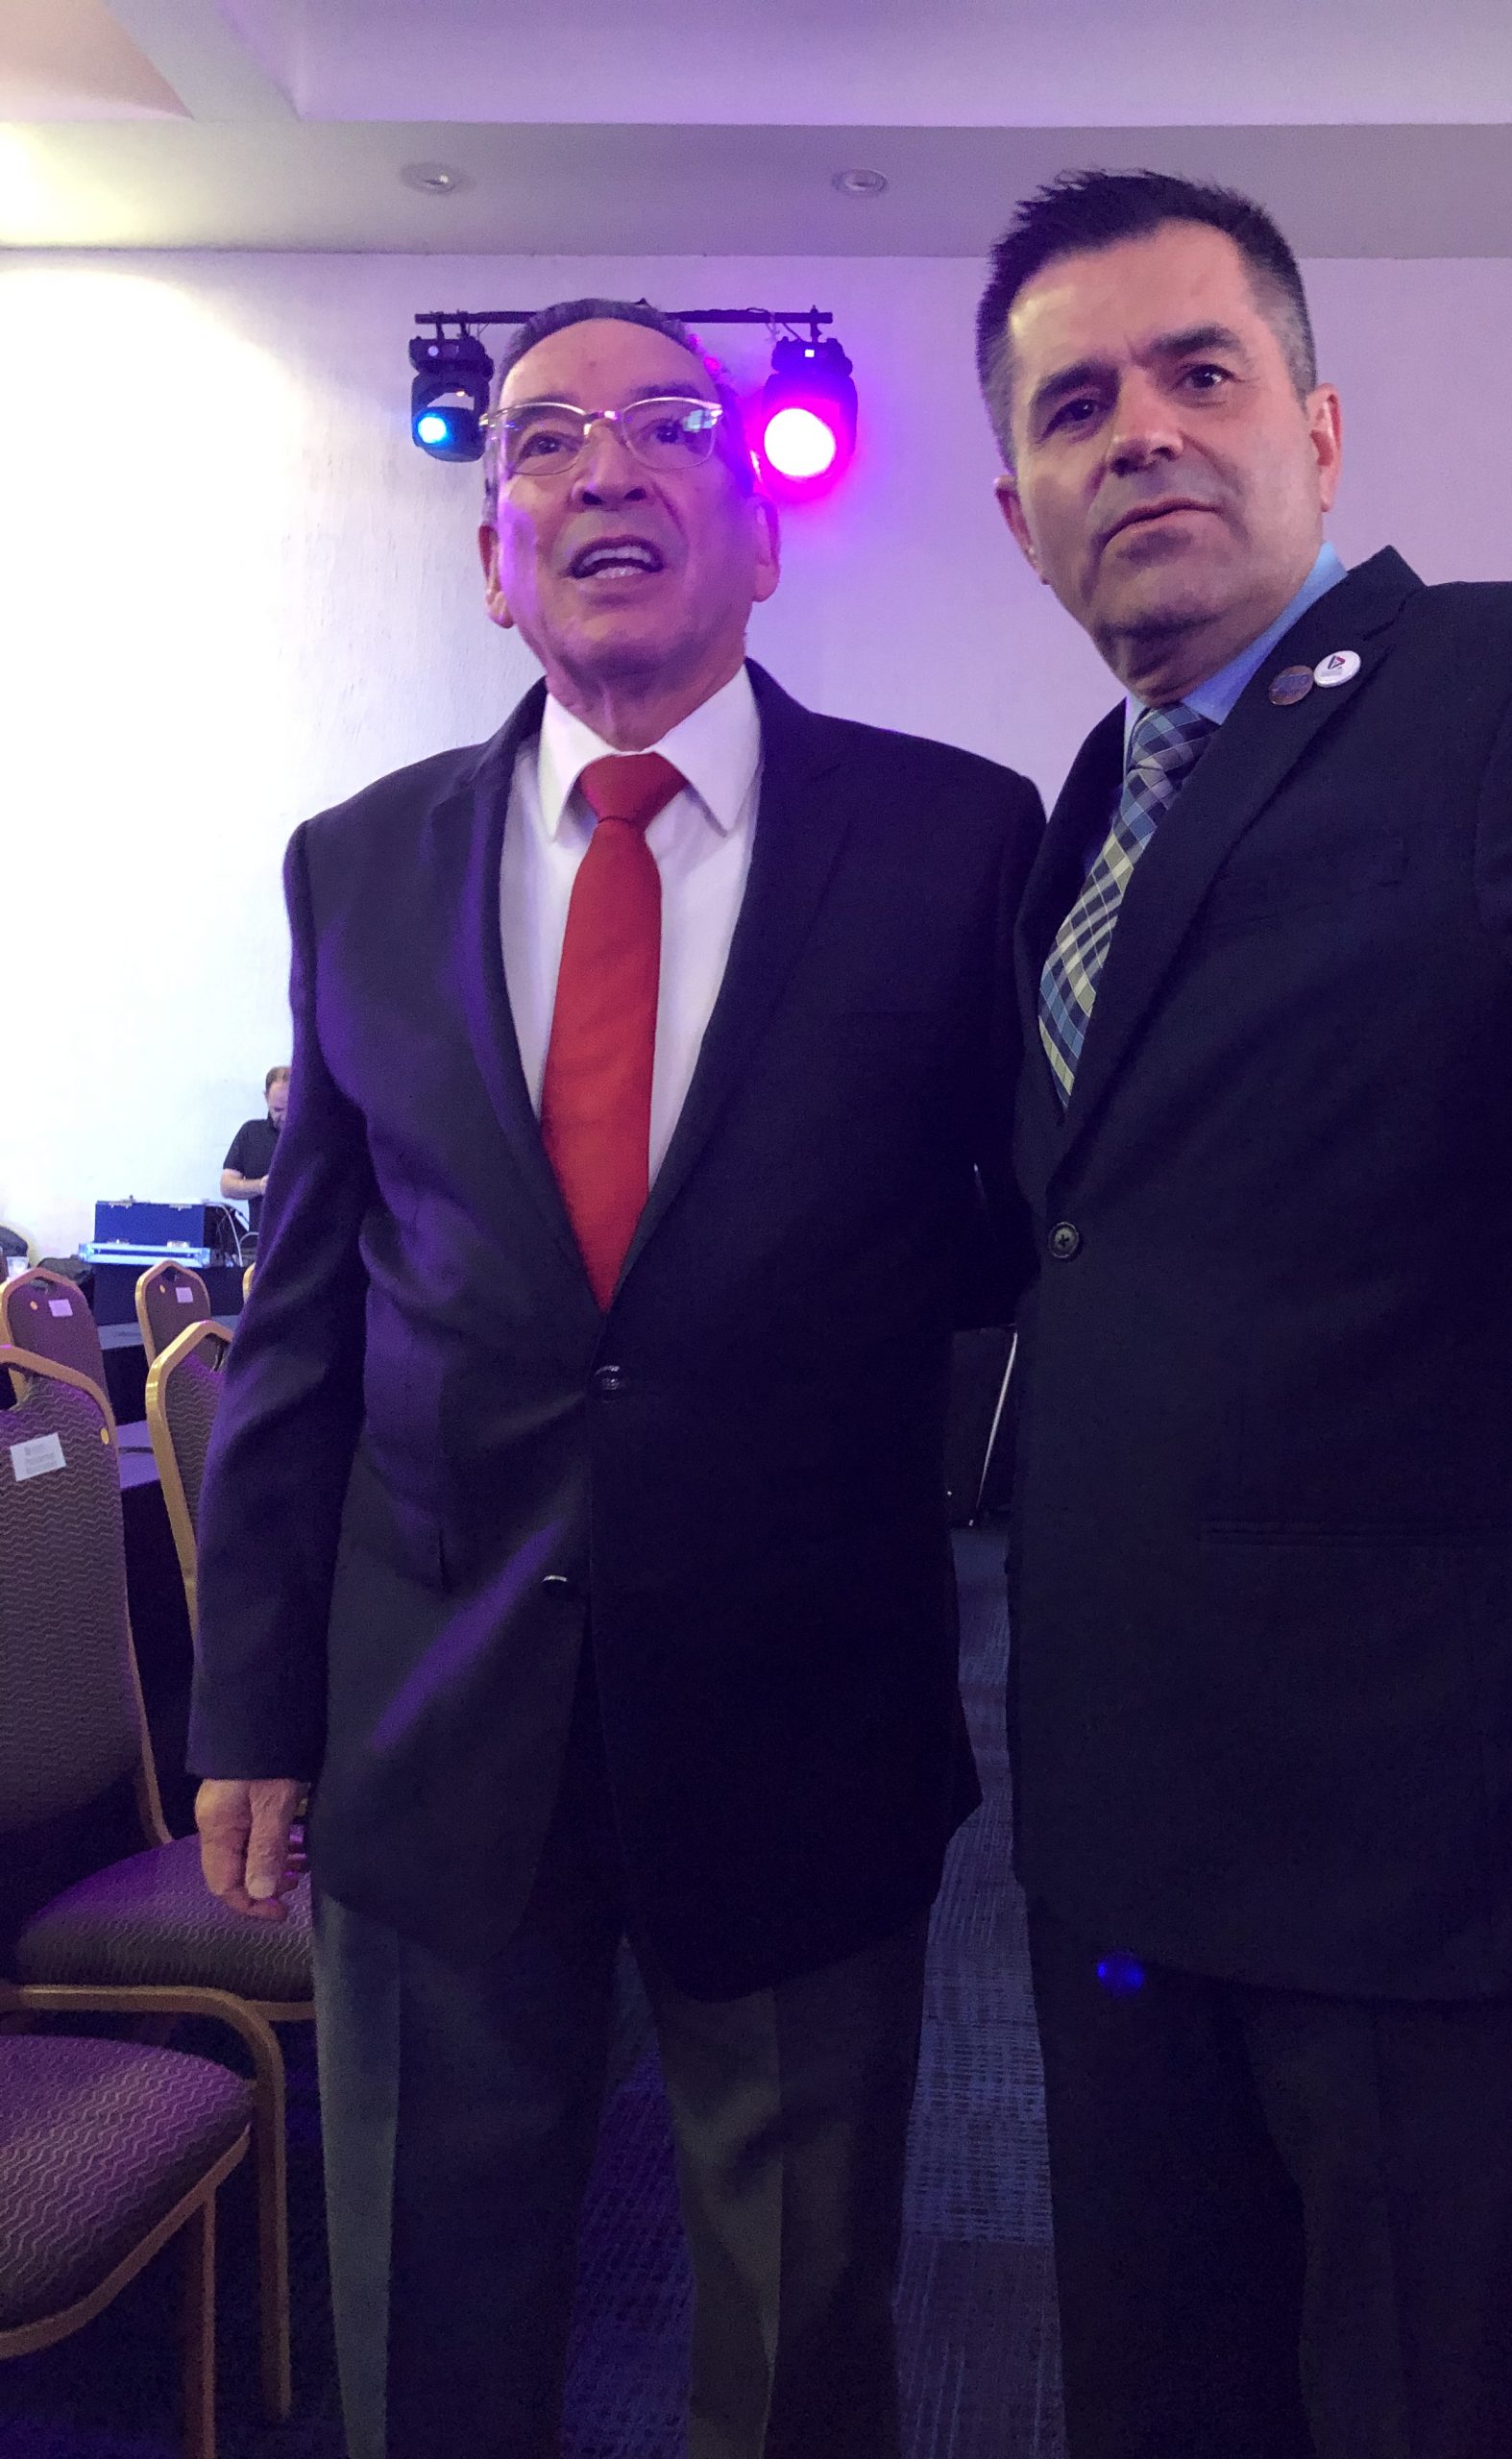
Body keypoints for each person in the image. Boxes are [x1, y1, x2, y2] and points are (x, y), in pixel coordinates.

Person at [978, 169, 1512, 2459]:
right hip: (1128, 1844)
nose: (1142, 430)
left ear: (1320, 428)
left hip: (1436, 1876)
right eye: (1076, 404)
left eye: (1201, 371)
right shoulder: (1091, 808)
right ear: (1018, 509)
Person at [189, 296, 1041, 2459]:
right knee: (430, 2318)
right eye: (546, 440)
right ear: (496, 556)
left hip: (804, 1712)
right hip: (431, 1715)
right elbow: (303, 1315)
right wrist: (253, 1709)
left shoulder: (956, 843)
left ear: (763, 534)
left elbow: (1024, 1244)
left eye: (671, 426)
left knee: (800, 2331)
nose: (608, 468)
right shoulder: (357, 862)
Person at [220, 1063, 289, 1233]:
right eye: (278, 1109)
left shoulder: (316, 1136)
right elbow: (226, 1185)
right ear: (266, 1098)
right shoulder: (251, 1132)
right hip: (262, 1241)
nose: (285, 1117)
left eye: (292, 1107)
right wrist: (260, 1186)